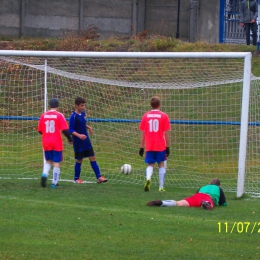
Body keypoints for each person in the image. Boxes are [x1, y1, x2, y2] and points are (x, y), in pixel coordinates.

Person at [69, 97, 107, 184]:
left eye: (84, 105)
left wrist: (88, 127)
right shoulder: (73, 117)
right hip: (78, 142)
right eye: (81, 105)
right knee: (80, 159)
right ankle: (76, 178)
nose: (83, 107)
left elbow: (82, 123)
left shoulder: (82, 114)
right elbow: (70, 129)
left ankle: (99, 177)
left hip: (86, 140)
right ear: (76, 105)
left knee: (92, 157)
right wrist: (79, 135)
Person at [38, 98, 72, 188]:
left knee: (48, 160)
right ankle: (54, 183)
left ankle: (44, 174)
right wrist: (70, 139)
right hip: (56, 141)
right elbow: (65, 130)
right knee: (56, 161)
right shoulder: (59, 115)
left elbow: (40, 130)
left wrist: (46, 134)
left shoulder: (43, 115)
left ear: (49, 105)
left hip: (46, 141)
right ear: (57, 105)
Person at [139, 96, 170, 192]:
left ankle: (148, 178)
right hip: (160, 145)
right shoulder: (164, 116)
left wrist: (141, 147)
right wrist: (167, 147)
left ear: (151, 105)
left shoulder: (145, 116)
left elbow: (143, 133)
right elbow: (166, 133)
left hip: (150, 145)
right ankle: (161, 187)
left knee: (150, 165)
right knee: (161, 165)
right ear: (159, 104)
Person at [147, 178, 227, 210]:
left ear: (209, 183)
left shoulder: (203, 187)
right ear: (219, 185)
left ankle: (162, 202)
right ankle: (206, 204)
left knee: (178, 203)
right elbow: (223, 204)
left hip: (196, 196)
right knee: (208, 203)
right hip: (207, 197)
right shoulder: (219, 189)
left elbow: (197, 193)